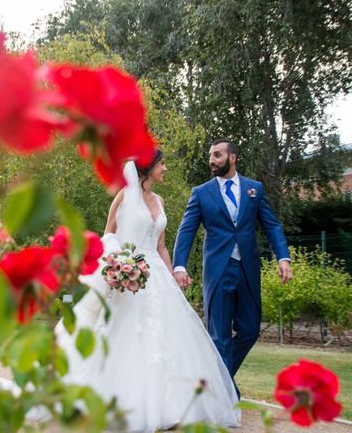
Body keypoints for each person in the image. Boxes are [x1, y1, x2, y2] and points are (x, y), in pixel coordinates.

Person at [55, 150, 240, 432]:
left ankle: (174, 407)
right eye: (162, 163)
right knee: (132, 337)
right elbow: (109, 236)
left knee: (169, 340)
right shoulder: (124, 196)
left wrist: (174, 274)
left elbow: (161, 246)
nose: (165, 168)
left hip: (158, 277)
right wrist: (121, 264)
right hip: (131, 277)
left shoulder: (161, 201)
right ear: (149, 167)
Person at [172, 139, 292, 397]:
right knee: (220, 337)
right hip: (218, 271)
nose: (212, 160)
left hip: (247, 269)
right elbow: (186, 230)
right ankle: (227, 396)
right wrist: (179, 265)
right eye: (210, 155)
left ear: (233, 157)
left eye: (217, 155)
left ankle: (214, 379)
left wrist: (283, 257)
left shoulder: (254, 190)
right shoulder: (201, 193)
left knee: (250, 330)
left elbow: (271, 225)